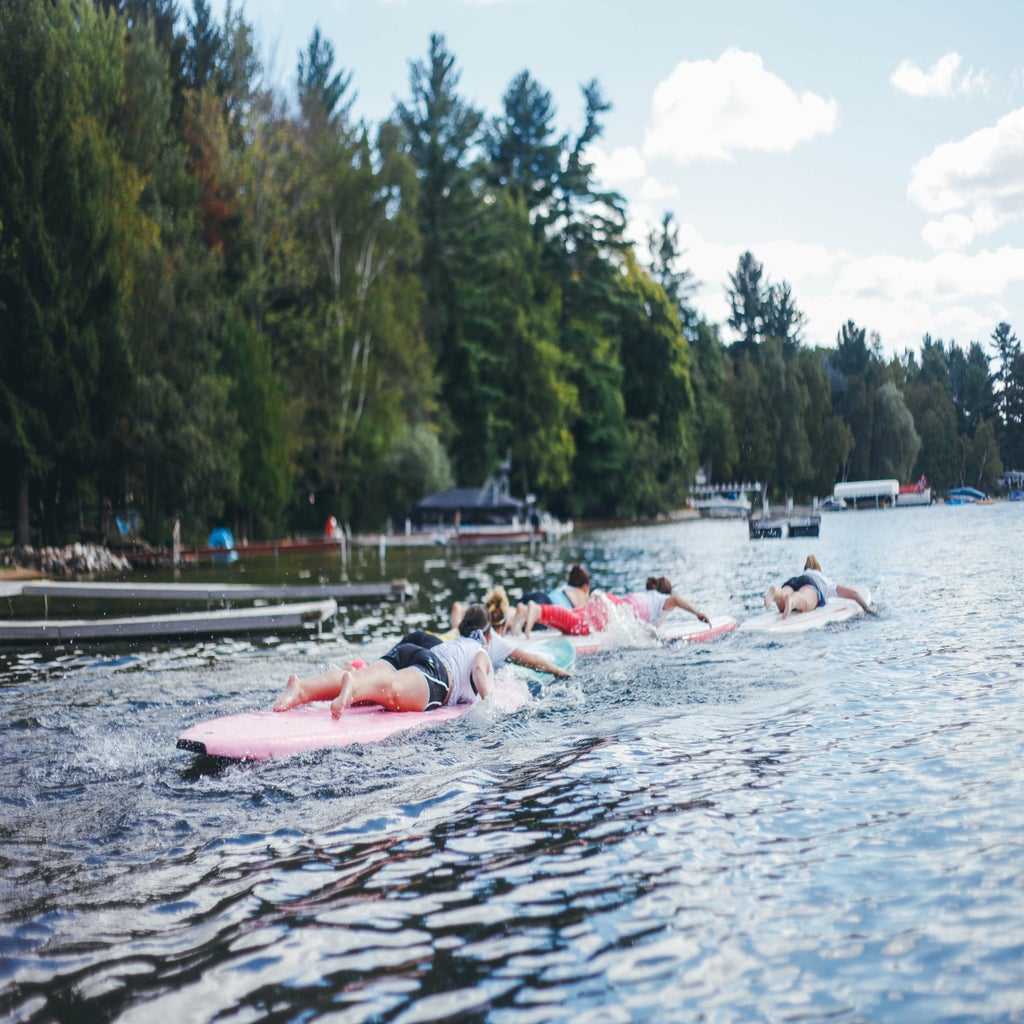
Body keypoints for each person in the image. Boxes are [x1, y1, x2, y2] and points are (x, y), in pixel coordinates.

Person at [274, 605, 495, 719]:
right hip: (436, 675)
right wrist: (490, 704)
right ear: (487, 635)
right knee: (389, 690)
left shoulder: (457, 642)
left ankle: (302, 688)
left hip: (411, 652)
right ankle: (353, 683)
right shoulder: (480, 650)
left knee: (369, 684)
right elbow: (478, 670)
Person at [444, 586, 572, 678]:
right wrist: (558, 671)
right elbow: (532, 661)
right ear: (501, 627)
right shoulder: (497, 642)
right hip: (536, 602)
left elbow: (456, 607)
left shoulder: (468, 629)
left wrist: (455, 628)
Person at [524, 575, 710, 638]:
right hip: (611, 610)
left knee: (573, 616)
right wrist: (698, 613)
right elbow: (677, 600)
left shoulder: (648, 595)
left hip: (611, 602)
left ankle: (523, 613)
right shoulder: (662, 601)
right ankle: (538, 611)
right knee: (576, 624)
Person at [763, 555, 873, 619]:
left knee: (782, 601)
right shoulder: (823, 580)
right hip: (810, 584)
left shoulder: (804, 573)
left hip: (793, 581)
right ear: (819, 569)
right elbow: (853, 594)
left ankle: (776, 592)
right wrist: (868, 609)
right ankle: (792, 602)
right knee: (804, 598)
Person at [507, 564, 591, 635]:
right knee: (526, 616)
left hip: (539, 596)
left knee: (512, 611)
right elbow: (581, 619)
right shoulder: (582, 595)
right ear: (585, 587)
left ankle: (507, 618)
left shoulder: (564, 588)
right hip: (545, 605)